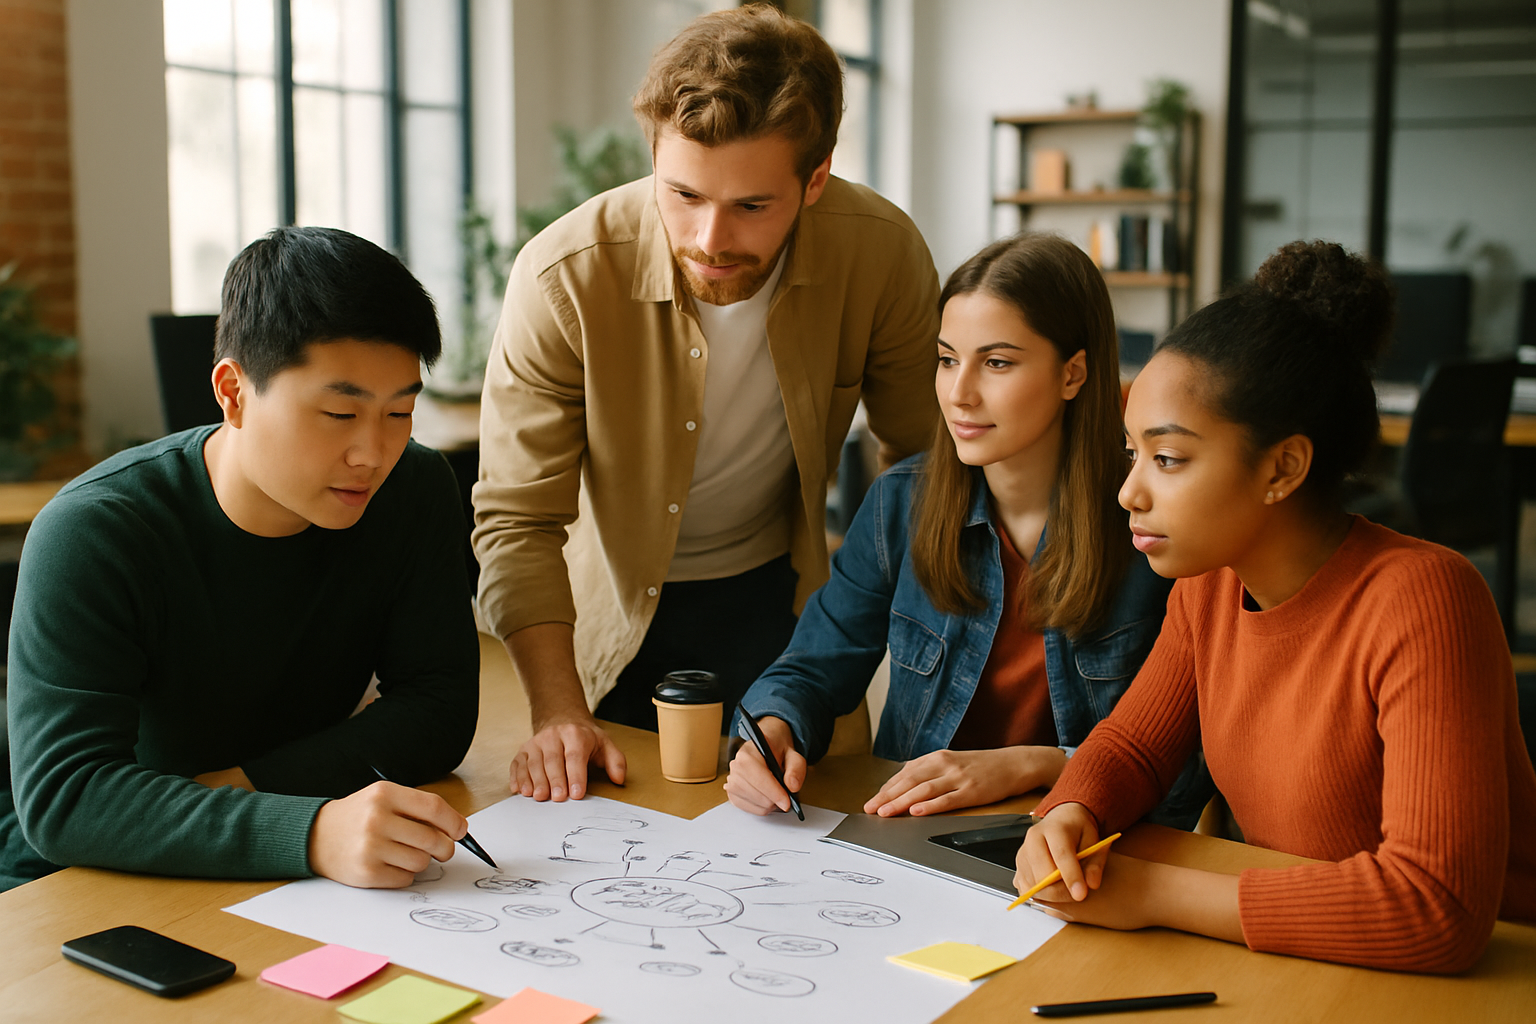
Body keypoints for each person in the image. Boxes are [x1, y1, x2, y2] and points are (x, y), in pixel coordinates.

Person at [1015, 240, 1536, 974]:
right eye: (1132, 454)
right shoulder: (1211, 584)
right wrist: (1071, 813)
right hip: (1307, 959)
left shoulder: (1425, 599)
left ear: (1283, 467)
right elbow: (1132, 748)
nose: (1129, 493)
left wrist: (1156, 895)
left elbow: (1436, 908)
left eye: (1167, 459)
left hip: (1482, 980)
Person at [473, 4, 939, 804]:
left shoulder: (882, 252)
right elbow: (518, 519)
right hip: (609, 618)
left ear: (816, 178)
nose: (710, 238)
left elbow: (927, 465)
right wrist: (555, 712)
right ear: (652, 152)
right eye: (683, 193)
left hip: (782, 596)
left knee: (799, 828)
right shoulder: (562, 276)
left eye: (752, 206)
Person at [2, 226, 481, 892]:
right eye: (341, 414)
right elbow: (69, 799)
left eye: (399, 412)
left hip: (278, 868)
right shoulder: (96, 532)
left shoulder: (412, 491)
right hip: (88, 877)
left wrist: (261, 791)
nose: (373, 452)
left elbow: (438, 708)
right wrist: (308, 830)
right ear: (232, 393)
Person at [724, 234, 1208, 828]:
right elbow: (812, 667)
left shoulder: (1153, 525)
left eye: (997, 362)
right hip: (913, 836)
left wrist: (1035, 766)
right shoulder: (902, 502)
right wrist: (773, 731)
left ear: (1073, 373)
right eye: (948, 359)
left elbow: (1193, 768)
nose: (959, 393)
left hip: (1088, 847)